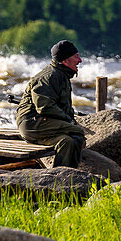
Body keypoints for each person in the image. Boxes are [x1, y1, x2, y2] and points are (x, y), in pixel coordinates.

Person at [16, 40, 85, 168]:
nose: (79, 60)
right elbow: (45, 107)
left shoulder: (62, 75)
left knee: (67, 141)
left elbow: (61, 107)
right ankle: (61, 177)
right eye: (76, 57)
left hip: (42, 123)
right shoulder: (49, 76)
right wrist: (69, 120)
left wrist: (70, 117)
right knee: (77, 132)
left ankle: (66, 175)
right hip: (32, 123)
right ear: (65, 61)